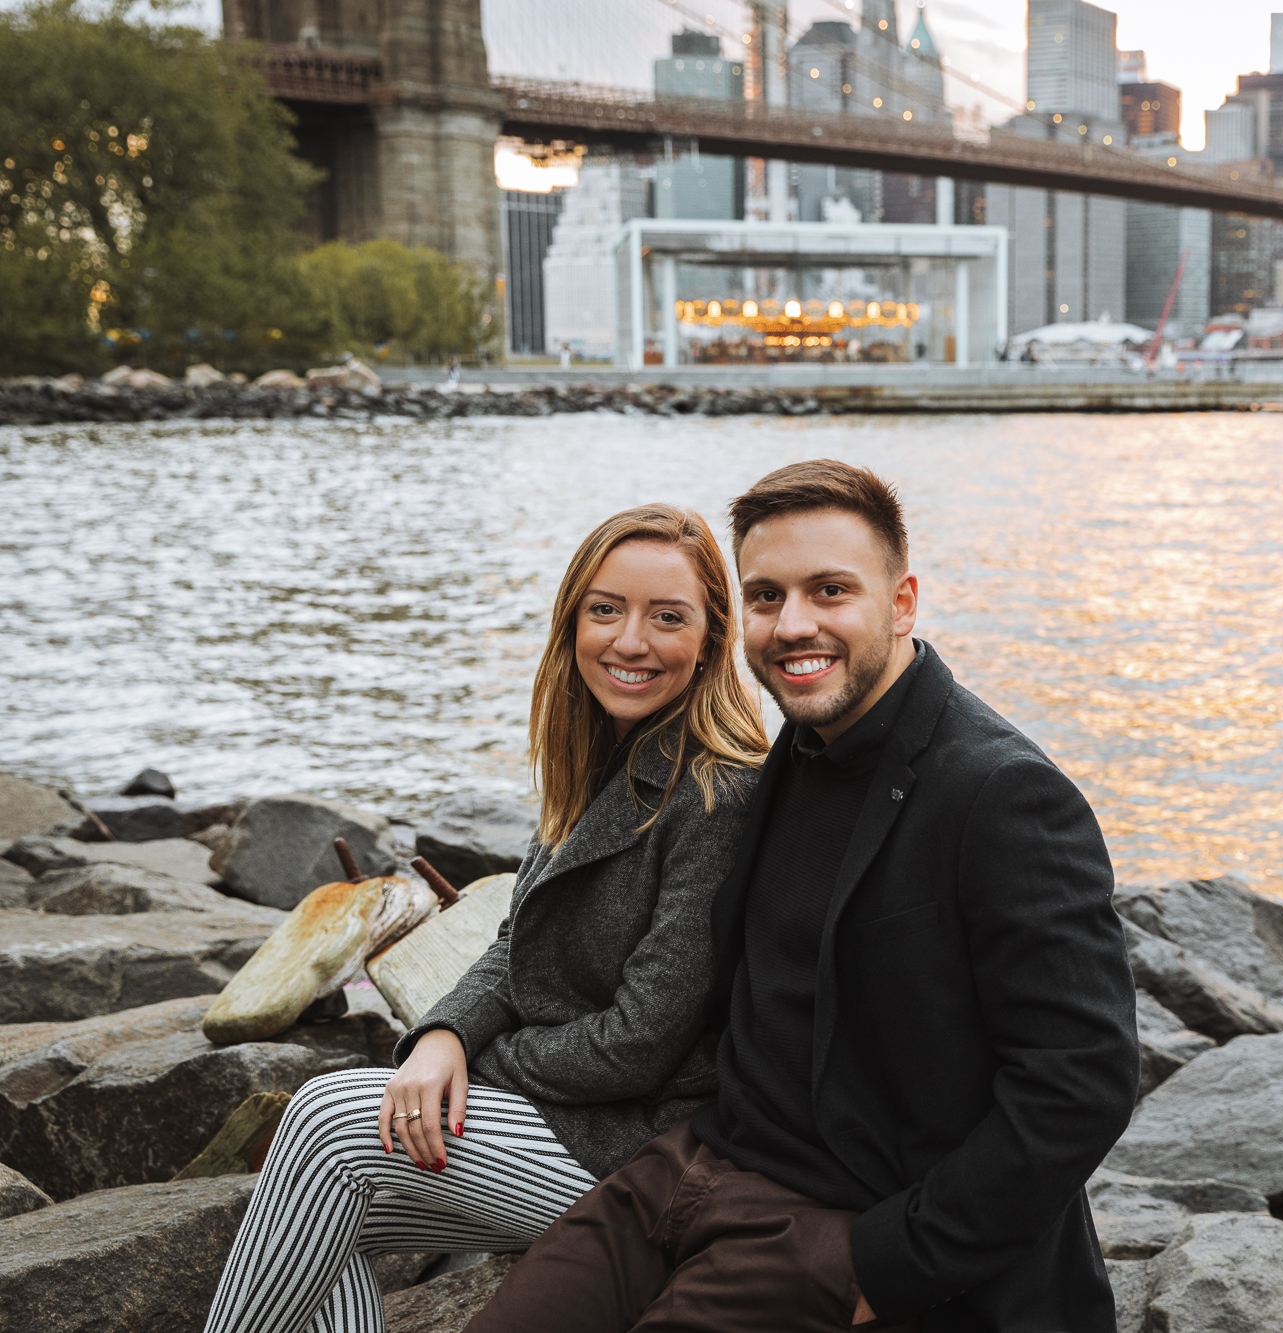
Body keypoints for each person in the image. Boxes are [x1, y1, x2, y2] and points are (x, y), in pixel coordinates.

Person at [465, 461, 1140, 1333]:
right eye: (767, 596)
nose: (794, 625)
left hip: (840, 1219)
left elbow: (1082, 1082)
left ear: (902, 604)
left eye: (830, 591)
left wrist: (890, 1264)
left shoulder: (1001, 795)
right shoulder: (793, 756)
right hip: (693, 1166)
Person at [203, 504, 769, 1333]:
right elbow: (516, 946)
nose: (630, 640)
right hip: (566, 1115)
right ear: (572, 619)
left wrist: (478, 1064)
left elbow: (641, 1041)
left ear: (712, 638)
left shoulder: (719, 793)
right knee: (310, 1228)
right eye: (605, 608)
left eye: (668, 616)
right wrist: (442, 1036)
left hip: (639, 1146)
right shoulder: (593, 762)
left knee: (323, 1123)